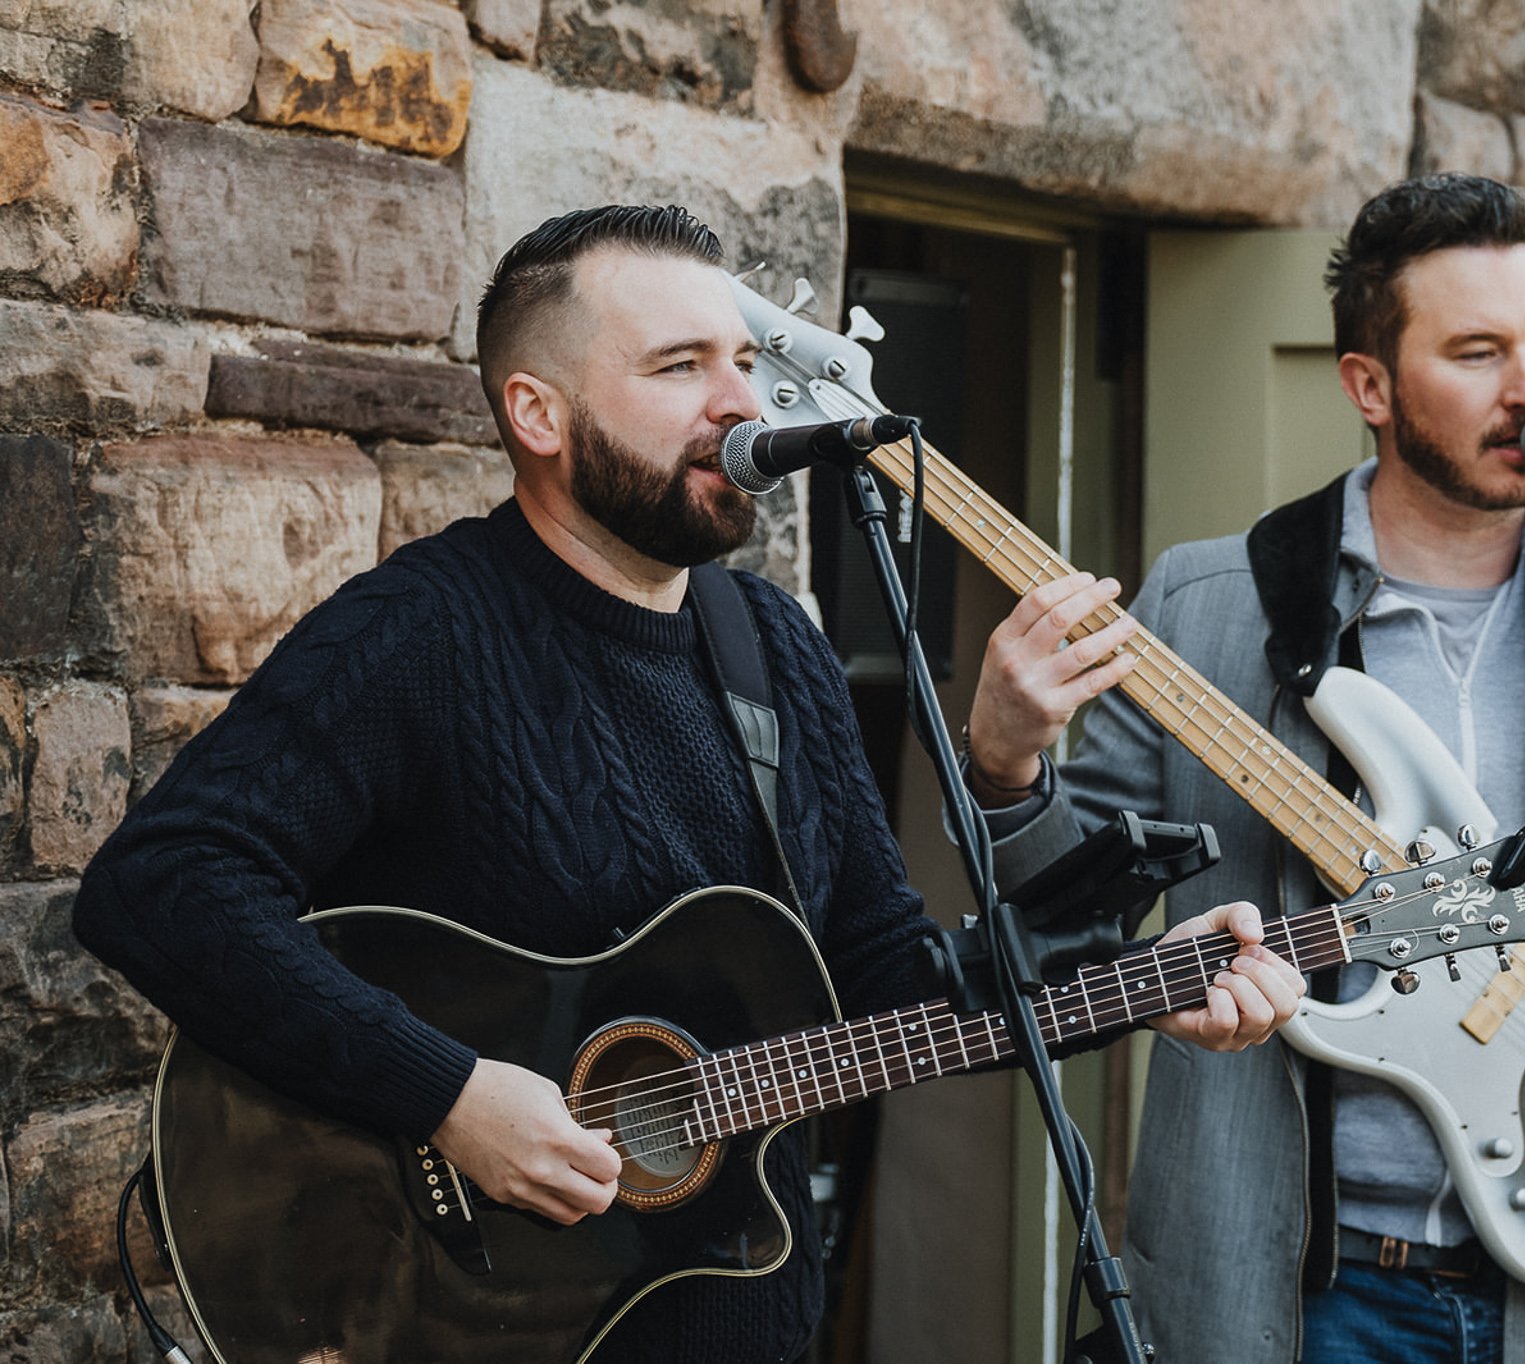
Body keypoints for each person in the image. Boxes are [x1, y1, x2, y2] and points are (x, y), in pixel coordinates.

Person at [72, 204, 1303, 1363]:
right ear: (538, 414)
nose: (741, 400)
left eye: (741, 359)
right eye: (680, 368)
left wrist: (1126, 978)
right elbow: (160, 886)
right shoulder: (420, 635)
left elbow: (883, 983)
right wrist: (446, 1092)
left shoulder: (777, 647)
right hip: (463, 1318)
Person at [960, 174, 1525, 1364]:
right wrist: (1002, 762)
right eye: (1476, 351)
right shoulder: (1209, 605)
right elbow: (1056, 928)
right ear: (1369, 384)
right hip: (1302, 1289)